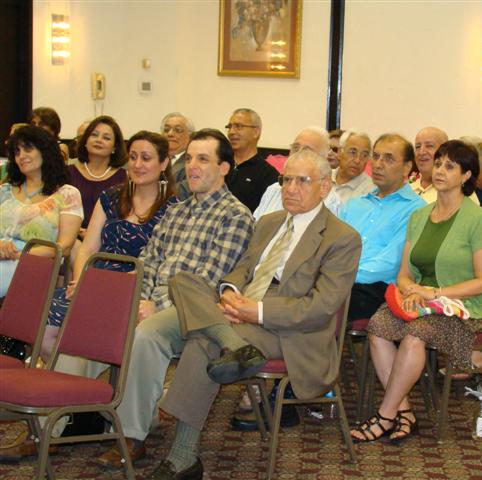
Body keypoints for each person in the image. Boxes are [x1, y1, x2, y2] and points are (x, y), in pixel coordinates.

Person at [147, 148, 361, 479]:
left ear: (324, 186)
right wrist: (229, 293)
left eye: (302, 181)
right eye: (286, 180)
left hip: (290, 329)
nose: (290, 188)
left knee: (202, 343)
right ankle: (233, 342)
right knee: (183, 282)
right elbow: (243, 268)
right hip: (243, 307)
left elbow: (319, 308)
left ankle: (183, 455)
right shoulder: (269, 222)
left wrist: (256, 311)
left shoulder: (342, 238)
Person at [0, 131, 179, 462]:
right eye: (133, 157)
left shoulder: (174, 207)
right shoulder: (112, 197)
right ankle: (71, 408)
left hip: (134, 285)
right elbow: (88, 247)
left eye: (147, 158)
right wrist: (81, 280)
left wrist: (106, 287)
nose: (138, 164)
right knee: (48, 322)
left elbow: (161, 263)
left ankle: (64, 419)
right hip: (94, 280)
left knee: (82, 332)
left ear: (164, 163)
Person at [94, 128, 254, 468]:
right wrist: (141, 300)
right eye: (190, 158)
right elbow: (148, 261)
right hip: (152, 301)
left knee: (146, 335)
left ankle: (132, 436)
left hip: (194, 310)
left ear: (224, 168)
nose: (192, 166)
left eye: (203, 159)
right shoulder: (177, 211)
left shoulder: (235, 216)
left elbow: (208, 282)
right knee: (89, 319)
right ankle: (58, 421)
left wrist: (155, 308)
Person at [350, 140, 482, 444]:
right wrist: (413, 290)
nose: (440, 170)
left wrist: (435, 292)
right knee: (377, 327)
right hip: (422, 301)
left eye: (450, 166)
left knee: (415, 335)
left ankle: (385, 415)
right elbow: (404, 273)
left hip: (465, 308)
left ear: (466, 176)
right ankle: (404, 412)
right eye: (438, 163)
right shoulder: (419, 216)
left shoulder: (480, 220)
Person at [339, 133, 425, 323]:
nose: (378, 164)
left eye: (388, 158)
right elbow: (332, 247)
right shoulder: (354, 204)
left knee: (315, 306)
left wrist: (339, 275)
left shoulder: (416, 210)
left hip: (376, 287)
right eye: (376, 156)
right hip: (339, 281)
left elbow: (390, 264)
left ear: (407, 167)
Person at [0, 126, 83, 297]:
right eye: (17, 152)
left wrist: (19, 254)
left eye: (28, 148)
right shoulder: (4, 191)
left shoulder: (67, 194)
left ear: (45, 151)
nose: (21, 156)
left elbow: (65, 247)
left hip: (35, 264)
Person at [253, 127, 341, 220]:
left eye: (307, 150)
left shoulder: (331, 201)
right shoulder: (273, 190)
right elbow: (256, 226)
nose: (298, 153)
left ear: (324, 158)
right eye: (295, 148)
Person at [68, 115, 128, 236]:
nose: (99, 140)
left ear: (115, 147)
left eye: (106, 138)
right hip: (71, 236)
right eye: (94, 135)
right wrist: (79, 231)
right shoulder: (68, 172)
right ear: (85, 141)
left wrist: (94, 235)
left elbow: (124, 216)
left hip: (107, 239)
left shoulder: (124, 177)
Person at [225, 108, 279, 211]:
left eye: (238, 126)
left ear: (256, 132)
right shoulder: (220, 165)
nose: (231, 132)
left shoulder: (268, 175)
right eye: (229, 127)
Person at [332, 130, 376, 204]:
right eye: (353, 153)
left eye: (364, 155)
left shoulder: (371, 191)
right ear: (339, 153)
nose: (357, 160)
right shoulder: (323, 177)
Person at [409, 126, 448, 203]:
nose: (421, 152)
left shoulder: (453, 191)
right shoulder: (406, 189)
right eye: (418, 147)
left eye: (429, 146)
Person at [161, 112, 194, 186]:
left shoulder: (191, 162)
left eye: (178, 130)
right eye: (166, 130)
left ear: (190, 136)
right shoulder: (156, 158)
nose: (170, 134)